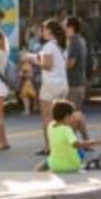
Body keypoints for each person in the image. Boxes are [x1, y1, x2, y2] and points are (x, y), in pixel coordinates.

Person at [26, 19, 69, 155]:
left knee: (47, 118)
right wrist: (35, 57)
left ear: (49, 30)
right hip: (63, 84)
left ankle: (49, 147)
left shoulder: (48, 46)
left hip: (50, 84)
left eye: (43, 29)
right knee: (60, 118)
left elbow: (47, 65)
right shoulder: (62, 46)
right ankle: (61, 146)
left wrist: (33, 61)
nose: (42, 32)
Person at [38, 100, 101, 173]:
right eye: (72, 116)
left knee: (55, 156)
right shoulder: (67, 130)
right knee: (80, 152)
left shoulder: (50, 126)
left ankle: (39, 172)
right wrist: (97, 141)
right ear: (67, 117)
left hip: (55, 165)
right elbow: (77, 145)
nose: (73, 119)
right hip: (70, 166)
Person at [64, 17, 90, 141]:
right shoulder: (81, 40)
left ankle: (72, 142)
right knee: (76, 114)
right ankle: (86, 140)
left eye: (64, 25)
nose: (63, 28)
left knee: (70, 115)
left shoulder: (73, 42)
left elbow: (71, 63)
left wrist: (59, 66)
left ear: (71, 27)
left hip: (73, 82)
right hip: (80, 81)